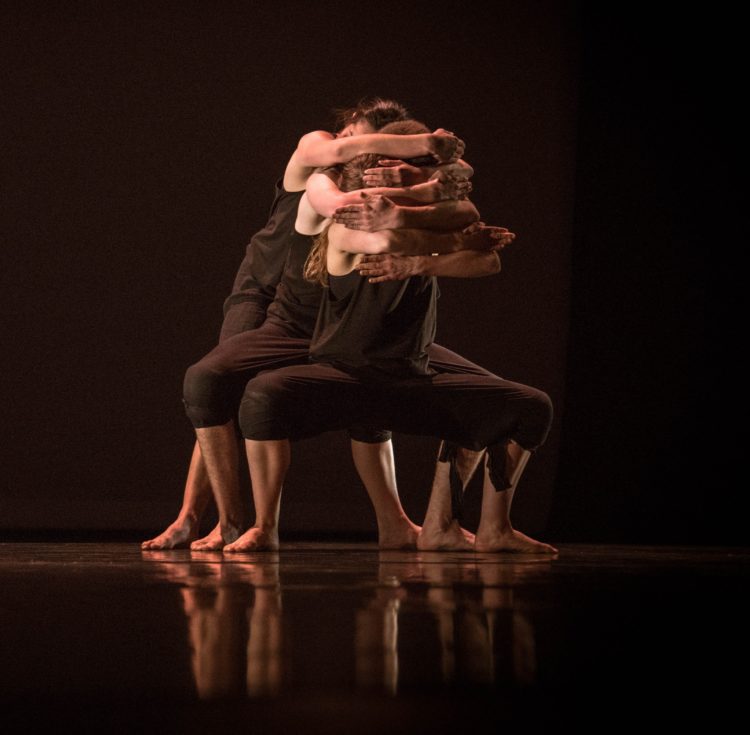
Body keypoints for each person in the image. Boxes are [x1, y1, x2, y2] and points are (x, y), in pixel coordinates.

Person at [142, 99, 503, 551]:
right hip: (270, 292)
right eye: (367, 139)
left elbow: (455, 193)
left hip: (331, 310)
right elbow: (342, 187)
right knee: (218, 385)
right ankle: (208, 518)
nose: (363, 148)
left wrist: (433, 177)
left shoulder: (380, 182)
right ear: (351, 128)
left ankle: (400, 523)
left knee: (373, 392)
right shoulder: (323, 155)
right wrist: (426, 162)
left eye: (386, 150)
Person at [227, 135, 555, 554]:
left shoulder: (429, 224)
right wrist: (453, 241)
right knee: (260, 396)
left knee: (528, 407)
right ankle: (264, 527)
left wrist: (422, 256)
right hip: (346, 376)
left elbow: (487, 258)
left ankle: (480, 528)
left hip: (409, 376)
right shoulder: (346, 226)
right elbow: (387, 242)